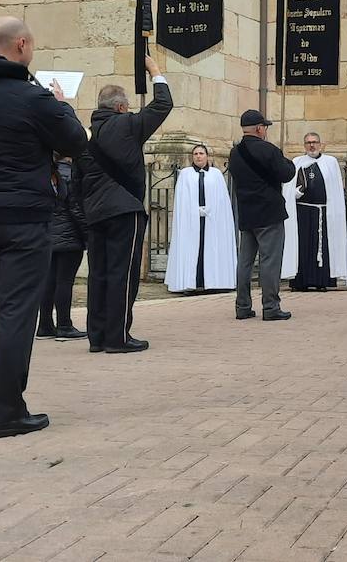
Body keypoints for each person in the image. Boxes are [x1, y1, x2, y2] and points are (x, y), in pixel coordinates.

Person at [0, 16, 87, 437]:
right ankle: (8, 410)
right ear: (22, 44)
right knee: (17, 312)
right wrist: (60, 104)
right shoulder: (34, 98)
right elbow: (77, 142)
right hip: (25, 216)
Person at [77, 56, 173, 354]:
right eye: (127, 105)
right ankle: (117, 338)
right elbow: (162, 105)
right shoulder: (128, 124)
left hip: (95, 212)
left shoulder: (84, 134)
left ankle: (97, 336)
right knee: (123, 273)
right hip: (124, 210)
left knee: (99, 274)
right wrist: (154, 71)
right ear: (120, 107)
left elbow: (77, 179)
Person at [230, 110, 296, 321]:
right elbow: (286, 174)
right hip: (269, 213)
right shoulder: (268, 150)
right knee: (270, 260)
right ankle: (271, 306)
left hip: (247, 212)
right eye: (264, 127)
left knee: (245, 262)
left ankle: (242, 306)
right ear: (259, 128)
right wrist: (288, 161)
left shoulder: (235, 152)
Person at [165, 144, 237, 294]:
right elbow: (182, 200)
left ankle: (214, 282)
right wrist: (193, 211)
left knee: (210, 246)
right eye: (196, 154)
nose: (198, 156)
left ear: (207, 156)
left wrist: (211, 209)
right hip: (191, 221)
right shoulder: (185, 174)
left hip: (212, 221)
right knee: (194, 248)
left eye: (201, 153)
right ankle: (192, 282)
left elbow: (222, 200)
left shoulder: (216, 175)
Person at [282, 132, 347, 291]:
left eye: (315, 142)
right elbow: (289, 187)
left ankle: (321, 281)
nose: (312, 145)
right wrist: (294, 193)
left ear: (320, 144)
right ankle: (301, 281)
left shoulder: (330, 162)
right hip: (302, 212)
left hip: (324, 212)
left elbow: (336, 189)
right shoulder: (297, 162)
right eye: (308, 143)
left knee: (323, 246)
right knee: (303, 246)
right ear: (304, 145)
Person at [37, 156, 89, 341]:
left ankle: (44, 325)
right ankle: (64, 325)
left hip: (47, 233)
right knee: (65, 281)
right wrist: (87, 234)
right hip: (69, 234)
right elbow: (75, 207)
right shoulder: (69, 172)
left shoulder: (44, 172)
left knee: (49, 281)